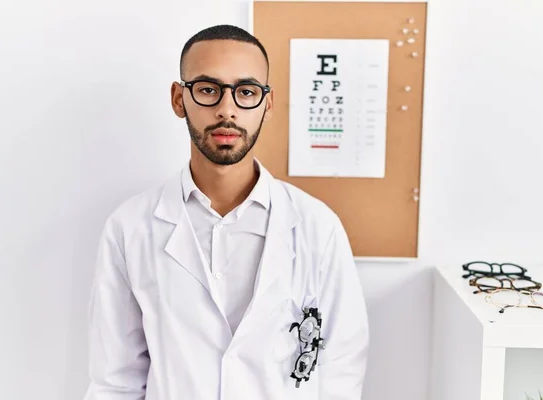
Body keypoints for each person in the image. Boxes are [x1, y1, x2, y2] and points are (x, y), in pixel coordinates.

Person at [83, 24, 369, 400]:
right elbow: (115, 382)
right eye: (207, 90)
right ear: (178, 98)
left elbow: (340, 374)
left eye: (246, 92)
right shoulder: (130, 228)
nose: (227, 110)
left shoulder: (318, 227)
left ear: (267, 103)